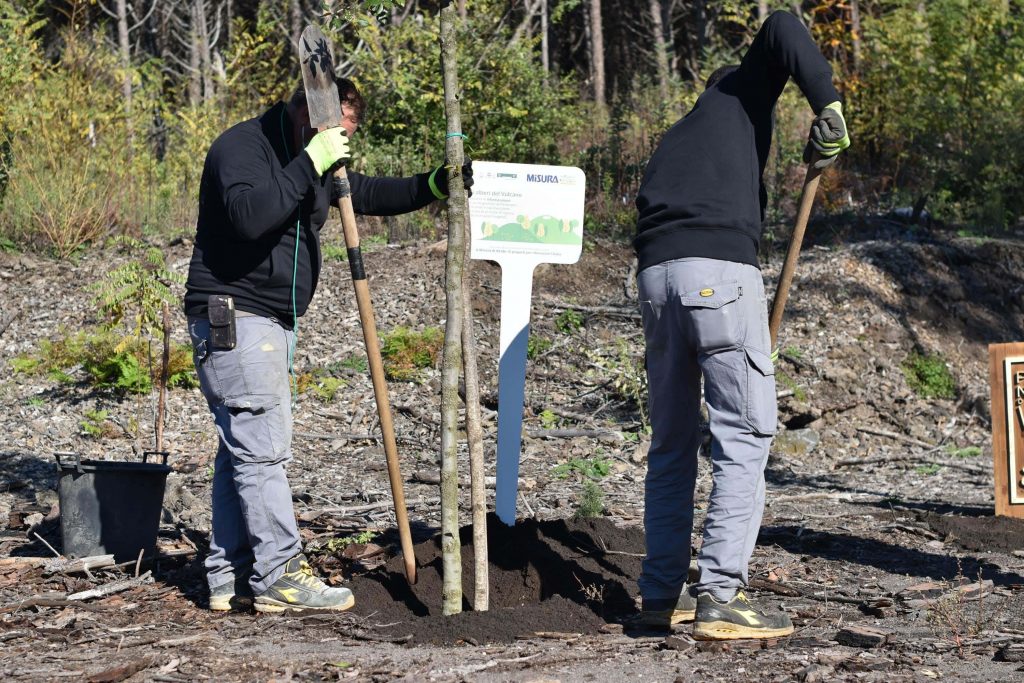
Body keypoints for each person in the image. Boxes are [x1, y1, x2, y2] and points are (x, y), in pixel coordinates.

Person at [184, 78, 472, 613]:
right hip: (234, 317)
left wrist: (432, 183)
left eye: (346, 136)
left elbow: (364, 192)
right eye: (333, 133)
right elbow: (251, 217)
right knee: (263, 450)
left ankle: (230, 576)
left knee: (241, 451)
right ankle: (279, 574)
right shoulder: (241, 148)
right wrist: (310, 161)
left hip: (269, 321)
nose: (339, 144)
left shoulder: (313, 158)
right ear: (306, 118)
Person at [632, 10, 849, 639]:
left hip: (654, 280)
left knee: (672, 443)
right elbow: (782, 22)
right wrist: (827, 105)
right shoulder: (740, 93)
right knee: (744, 435)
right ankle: (720, 596)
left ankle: (659, 595)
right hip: (718, 278)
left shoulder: (680, 135)